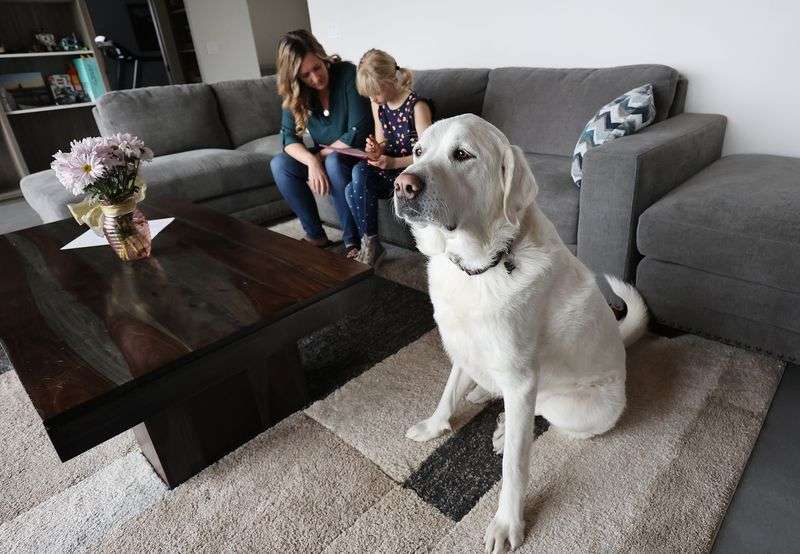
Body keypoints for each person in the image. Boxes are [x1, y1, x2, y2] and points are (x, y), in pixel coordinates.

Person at [270, 30, 372, 258]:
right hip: (328, 153)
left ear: (321, 56)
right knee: (280, 165)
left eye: (317, 67)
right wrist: (311, 161)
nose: (315, 78)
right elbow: (287, 138)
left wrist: (320, 157)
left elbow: (358, 130)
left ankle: (352, 242)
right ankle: (316, 236)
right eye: (305, 75)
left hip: (359, 150)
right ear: (295, 78)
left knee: (334, 160)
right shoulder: (299, 91)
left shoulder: (346, 73)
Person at [347, 49, 433, 266]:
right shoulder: (379, 104)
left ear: (389, 80)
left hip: (409, 173)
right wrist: (376, 149)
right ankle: (371, 243)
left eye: (375, 92)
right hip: (388, 170)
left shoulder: (417, 107)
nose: (373, 99)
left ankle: (371, 246)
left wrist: (394, 162)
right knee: (357, 175)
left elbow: (429, 155)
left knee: (352, 188)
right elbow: (383, 140)